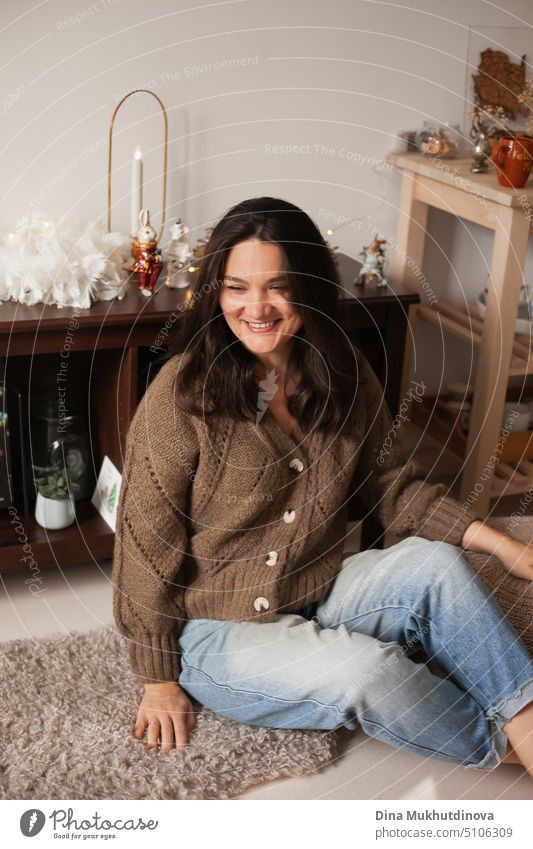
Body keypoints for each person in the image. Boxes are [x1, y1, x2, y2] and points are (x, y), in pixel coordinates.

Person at [112, 197, 533, 774]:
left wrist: (505, 545)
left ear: (309, 288)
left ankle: (527, 719)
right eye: (236, 288)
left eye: (277, 287)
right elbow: (143, 550)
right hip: (215, 634)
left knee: (436, 565)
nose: (254, 307)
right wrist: (158, 678)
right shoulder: (179, 397)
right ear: (215, 293)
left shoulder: (344, 372)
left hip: (322, 589)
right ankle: (501, 751)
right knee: (368, 670)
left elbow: (390, 486)